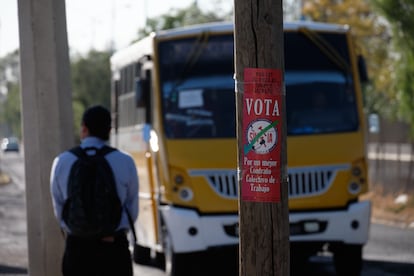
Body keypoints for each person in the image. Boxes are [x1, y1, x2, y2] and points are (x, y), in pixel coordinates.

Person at [50, 105, 139, 276]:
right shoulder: (125, 161)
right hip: (114, 249)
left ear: (84, 128)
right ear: (109, 130)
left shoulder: (62, 161)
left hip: (77, 250)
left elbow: (59, 210)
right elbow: (131, 209)